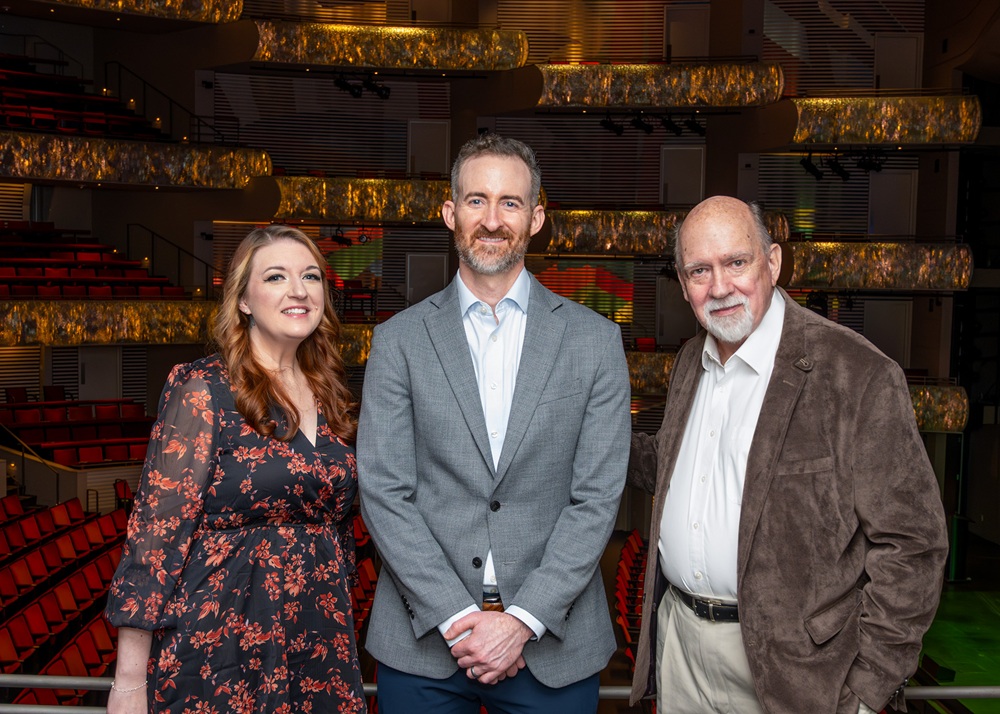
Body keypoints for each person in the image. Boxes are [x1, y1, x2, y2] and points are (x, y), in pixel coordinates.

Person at [626, 195, 950, 714]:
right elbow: (671, 465)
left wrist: (868, 689)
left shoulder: (856, 374)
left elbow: (915, 545)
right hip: (682, 647)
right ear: (684, 285)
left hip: (799, 670)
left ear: (772, 262)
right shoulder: (691, 359)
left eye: (737, 262)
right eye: (699, 271)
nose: (721, 287)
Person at [357, 133, 632, 713]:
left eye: (510, 203)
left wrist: (521, 621)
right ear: (450, 213)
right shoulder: (398, 341)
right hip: (424, 640)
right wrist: (458, 618)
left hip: (552, 642)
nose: (491, 219)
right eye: (476, 200)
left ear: (535, 219)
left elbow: (597, 498)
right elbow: (385, 491)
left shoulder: (595, 342)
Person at [105, 225, 366, 713]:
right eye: (275, 277)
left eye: (311, 276)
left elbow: (339, 533)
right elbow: (155, 538)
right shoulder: (204, 390)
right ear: (243, 300)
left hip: (318, 640)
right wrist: (129, 681)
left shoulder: (330, 395)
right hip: (220, 644)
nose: (298, 290)